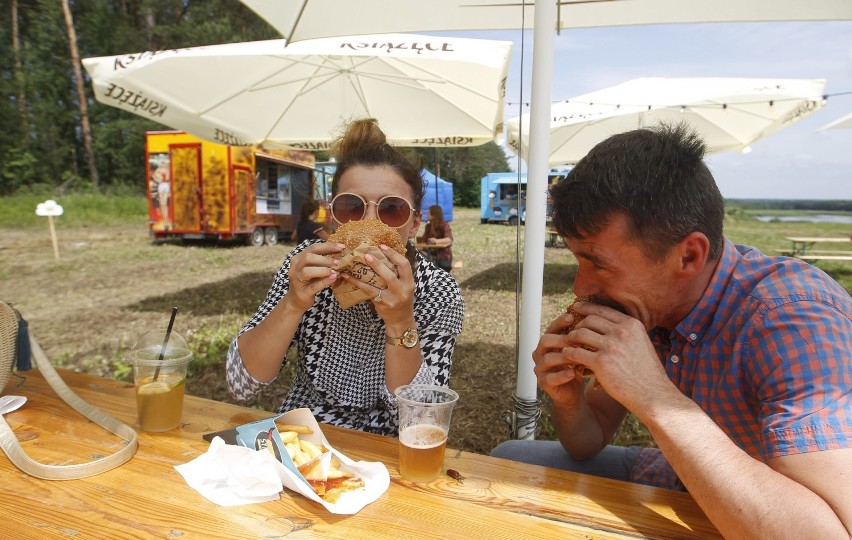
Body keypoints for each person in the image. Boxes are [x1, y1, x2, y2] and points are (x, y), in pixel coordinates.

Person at [491, 124, 851, 538]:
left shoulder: (792, 320)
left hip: (772, 516)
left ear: (688, 256)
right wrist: (569, 399)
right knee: (510, 457)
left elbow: (830, 533)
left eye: (599, 263)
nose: (580, 287)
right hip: (678, 478)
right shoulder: (651, 309)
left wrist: (654, 397)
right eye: (578, 261)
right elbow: (587, 442)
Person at [226, 118, 464, 436]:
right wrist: (293, 303)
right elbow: (241, 384)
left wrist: (400, 322)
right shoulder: (305, 268)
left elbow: (423, 423)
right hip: (305, 434)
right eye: (352, 207)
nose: (369, 223)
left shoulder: (438, 292)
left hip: (388, 447)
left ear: (414, 224)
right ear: (334, 215)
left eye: (391, 209)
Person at [417, 204, 454, 272]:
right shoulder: (428, 226)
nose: (427, 215)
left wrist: (436, 241)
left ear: (433, 215)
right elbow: (424, 241)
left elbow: (449, 239)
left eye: (428, 213)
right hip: (431, 255)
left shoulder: (444, 224)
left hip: (443, 258)